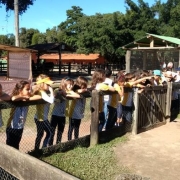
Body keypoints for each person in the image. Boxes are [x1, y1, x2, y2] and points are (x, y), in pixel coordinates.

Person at [49, 77, 79, 145]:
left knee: (60, 132)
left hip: (63, 115)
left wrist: (67, 94)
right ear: (64, 84)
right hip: (55, 115)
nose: (71, 86)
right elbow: (55, 98)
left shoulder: (70, 92)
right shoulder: (57, 90)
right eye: (69, 84)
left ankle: (58, 145)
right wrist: (61, 93)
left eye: (72, 85)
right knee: (52, 132)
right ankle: (49, 146)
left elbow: (77, 95)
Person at [6, 80, 31, 149]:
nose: (29, 91)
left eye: (30, 89)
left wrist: (27, 97)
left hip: (20, 127)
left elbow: (37, 96)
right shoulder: (17, 98)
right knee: (10, 147)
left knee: (16, 145)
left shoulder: (28, 98)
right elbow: (14, 98)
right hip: (12, 127)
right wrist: (24, 97)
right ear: (20, 90)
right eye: (27, 89)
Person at [32, 74, 54, 150]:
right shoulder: (41, 92)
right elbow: (51, 100)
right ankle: (44, 148)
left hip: (39, 117)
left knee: (40, 134)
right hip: (41, 118)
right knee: (50, 132)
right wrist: (52, 91)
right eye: (47, 84)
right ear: (42, 84)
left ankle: (36, 149)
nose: (49, 86)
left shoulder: (41, 92)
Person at [68, 76, 88, 140]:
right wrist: (86, 89)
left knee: (77, 127)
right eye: (83, 85)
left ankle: (76, 139)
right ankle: (69, 140)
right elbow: (80, 90)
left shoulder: (83, 91)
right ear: (79, 84)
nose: (85, 87)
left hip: (79, 113)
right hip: (73, 113)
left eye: (85, 85)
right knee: (71, 128)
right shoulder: (76, 90)